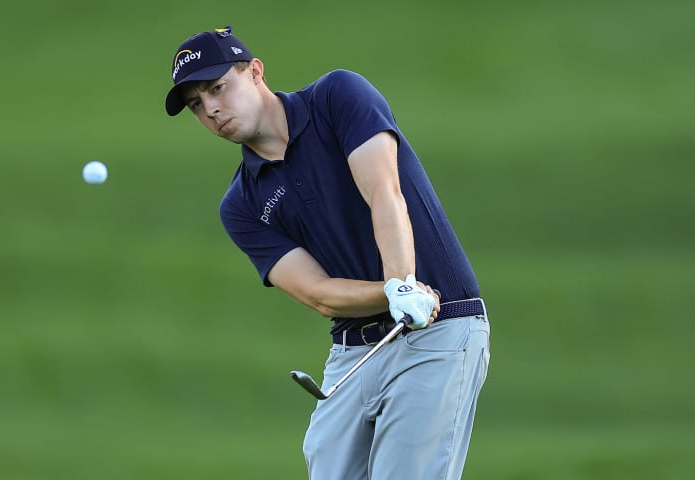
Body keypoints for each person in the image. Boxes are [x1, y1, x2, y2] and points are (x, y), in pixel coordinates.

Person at [165, 26, 491, 480]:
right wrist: (392, 294)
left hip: (439, 329)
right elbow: (318, 293)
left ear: (255, 72)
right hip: (353, 351)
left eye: (218, 88)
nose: (212, 109)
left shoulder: (337, 96)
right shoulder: (241, 205)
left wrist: (404, 283)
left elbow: (383, 191)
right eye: (197, 105)